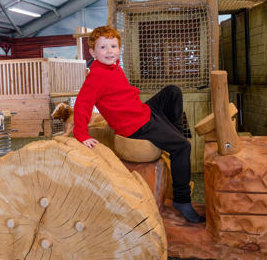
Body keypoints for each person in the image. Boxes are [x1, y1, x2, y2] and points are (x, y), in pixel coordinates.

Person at [73, 26, 205, 223]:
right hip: (135, 126)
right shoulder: (96, 76)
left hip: (143, 112)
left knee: (172, 91)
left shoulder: (115, 67)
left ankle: (175, 134)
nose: (109, 51)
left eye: (113, 46)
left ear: (119, 48)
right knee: (183, 147)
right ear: (92, 52)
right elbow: (82, 104)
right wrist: (81, 134)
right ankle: (182, 200)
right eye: (103, 47)